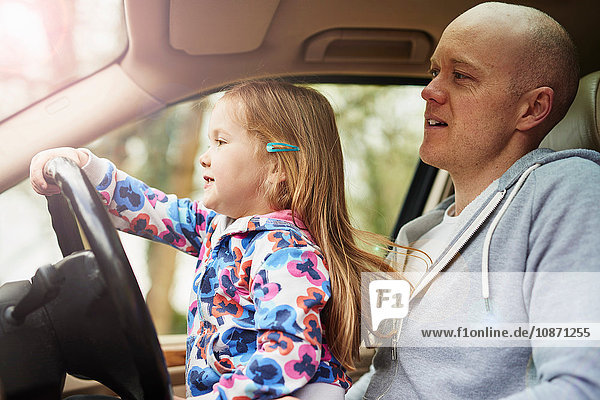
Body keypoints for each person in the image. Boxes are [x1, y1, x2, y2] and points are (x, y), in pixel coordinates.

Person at [29, 81, 400, 399]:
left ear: (277, 167)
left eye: (221, 142)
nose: (204, 158)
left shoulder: (287, 254)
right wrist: (85, 166)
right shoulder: (222, 230)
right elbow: (155, 209)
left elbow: (288, 356)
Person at [346, 2, 600, 399]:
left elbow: (581, 386)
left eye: (461, 76)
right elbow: (376, 371)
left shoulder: (569, 191)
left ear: (532, 109)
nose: (429, 91)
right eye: (435, 72)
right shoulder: (413, 234)